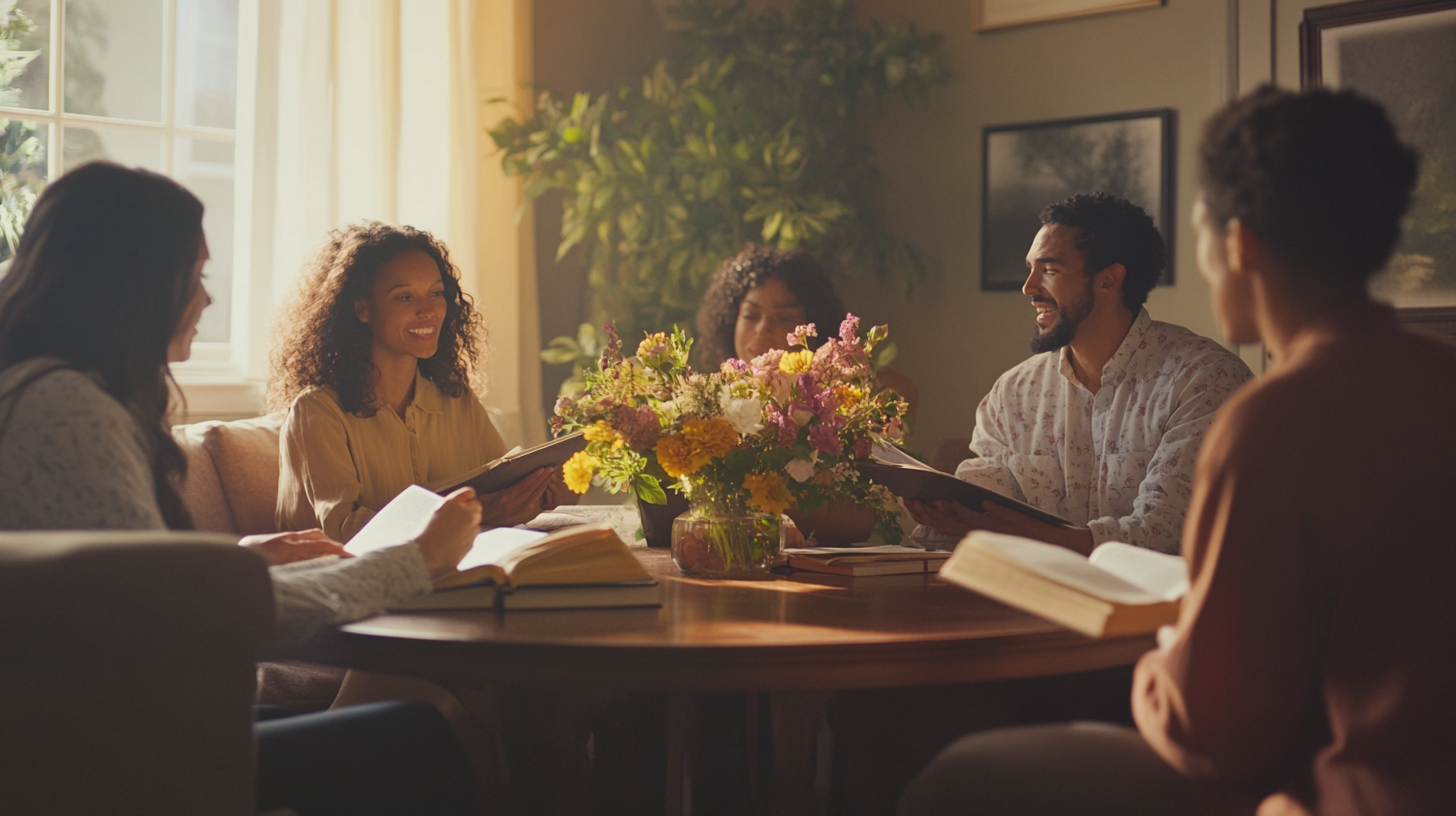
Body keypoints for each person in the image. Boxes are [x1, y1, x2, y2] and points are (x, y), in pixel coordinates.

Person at [902, 85, 1456, 816]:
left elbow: (1213, 731)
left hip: (1342, 790)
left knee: (957, 776)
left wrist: (1155, 669)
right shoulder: (1439, 377)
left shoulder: (1268, 419)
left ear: (1240, 243)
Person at [0, 162, 484, 815]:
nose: (207, 300)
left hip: (101, 732)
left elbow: (119, 591)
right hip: (106, 758)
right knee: (414, 734)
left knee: (417, 702)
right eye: (194, 276)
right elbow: (181, 622)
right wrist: (416, 562)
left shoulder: (41, 390)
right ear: (131, 282)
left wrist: (238, 564)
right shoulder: (68, 411)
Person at [908, 192, 1253, 555]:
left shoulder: (1203, 380)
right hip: (1028, 600)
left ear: (1108, 281)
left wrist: (1030, 533)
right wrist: (944, 515)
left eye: (1050, 270)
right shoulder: (1014, 392)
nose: (1029, 288)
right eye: (1030, 268)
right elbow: (979, 503)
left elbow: (1165, 533)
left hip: (1161, 608)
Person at [269, 221, 569, 544]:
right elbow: (346, 532)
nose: (428, 310)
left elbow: (502, 486)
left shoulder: (456, 400)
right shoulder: (317, 412)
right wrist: (482, 511)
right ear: (361, 308)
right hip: (346, 589)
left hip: (449, 580)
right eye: (404, 298)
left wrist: (536, 492)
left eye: (436, 293)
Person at [696, 244, 917, 543]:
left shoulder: (845, 406)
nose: (762, 330)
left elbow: (865, 519)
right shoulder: (709, 400)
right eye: (750, 315)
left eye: (784, 318)